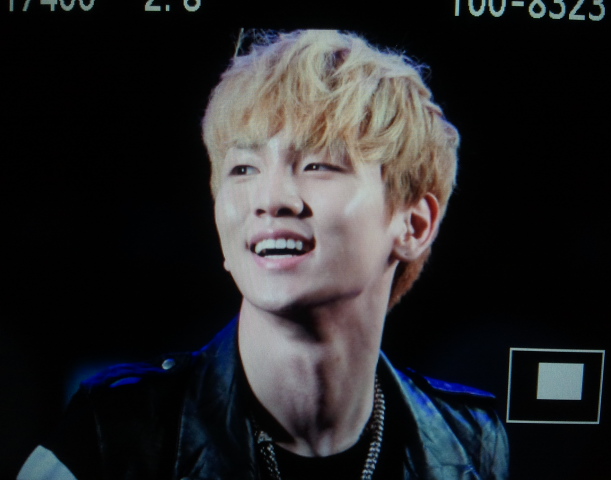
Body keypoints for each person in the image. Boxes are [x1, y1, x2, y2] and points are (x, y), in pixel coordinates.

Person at [18, 30, 509, 480]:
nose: (270, 199)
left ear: (414, 225)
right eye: (243, 169)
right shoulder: (110, 436)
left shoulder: (470, 445)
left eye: (318, 164)